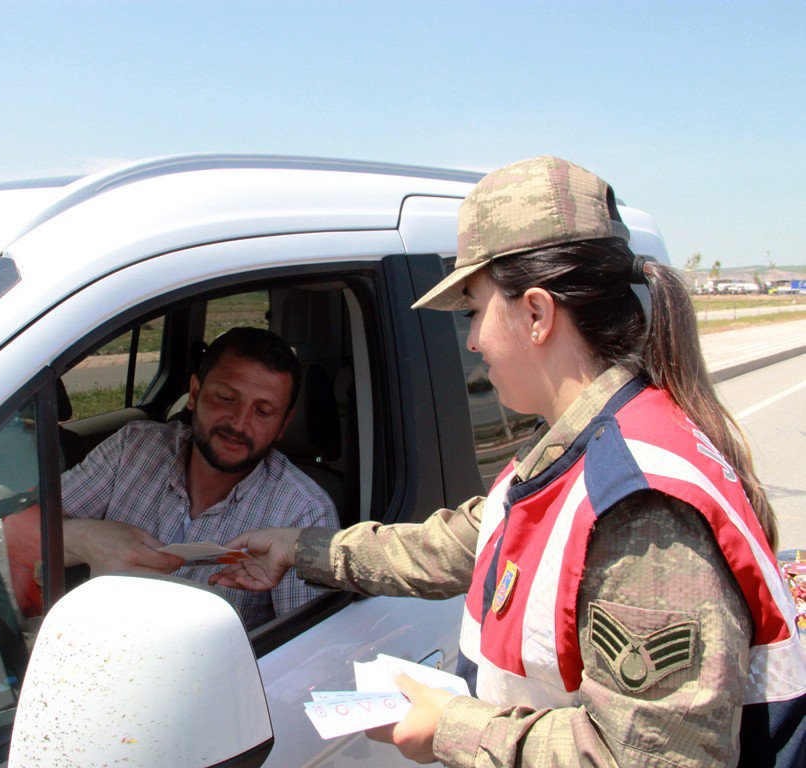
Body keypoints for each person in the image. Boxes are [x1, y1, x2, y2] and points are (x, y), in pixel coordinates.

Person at [211, 157, 806, 766]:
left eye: (474, 309)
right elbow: (460, 542)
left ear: (537, 314)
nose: (470, 341)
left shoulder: (638, 509)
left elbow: (650, 758)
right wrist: (300, 550)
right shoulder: (573, 449)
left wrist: (453, 727)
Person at [61, 326, 339, 629]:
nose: (239, 424)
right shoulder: (134, 448)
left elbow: (307, 651)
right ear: (194, 394)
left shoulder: (302, 511)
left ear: (284, 424)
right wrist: (84, 538)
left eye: (263, 411)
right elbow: (26, 534)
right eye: (226, 398)